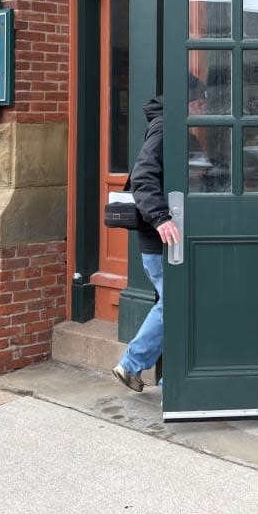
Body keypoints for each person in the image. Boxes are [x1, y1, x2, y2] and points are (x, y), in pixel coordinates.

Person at [112, 94, 181, 392]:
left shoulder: (177, 128)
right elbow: (143, 177)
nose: (204, 105)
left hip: (165, 239)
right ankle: (132, 365)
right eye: (199, 100)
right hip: (160, 239)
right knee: (174, 304)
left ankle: (161, 374)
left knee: (177, 304)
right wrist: (160, 217)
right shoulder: (166, 127)